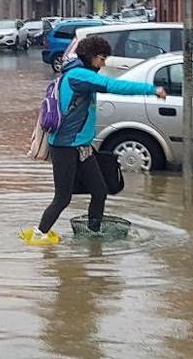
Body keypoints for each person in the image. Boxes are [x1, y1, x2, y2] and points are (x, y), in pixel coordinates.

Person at [22, 35, 167, 244]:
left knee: (99, 191)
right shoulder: (78, 76)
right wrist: (152, 90)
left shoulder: (78, 73)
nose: (104, 63)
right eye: (102, 58)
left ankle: (93, 235)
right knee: (63, 198)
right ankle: (39, 234)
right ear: (90, 56)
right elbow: (113, 85)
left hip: (82, 146)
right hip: (65, 147)